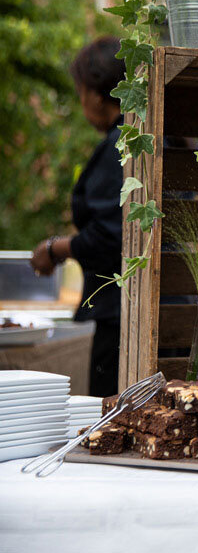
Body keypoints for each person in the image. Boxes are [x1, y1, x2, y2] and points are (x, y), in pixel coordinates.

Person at [30, 37, 125, 397]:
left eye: (81, 90)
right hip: (168, 313)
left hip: (123, 319)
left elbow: (110, 236)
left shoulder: (121, 146)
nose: (81, 99)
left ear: (98, 94)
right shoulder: (153, 137)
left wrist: (55, 249)